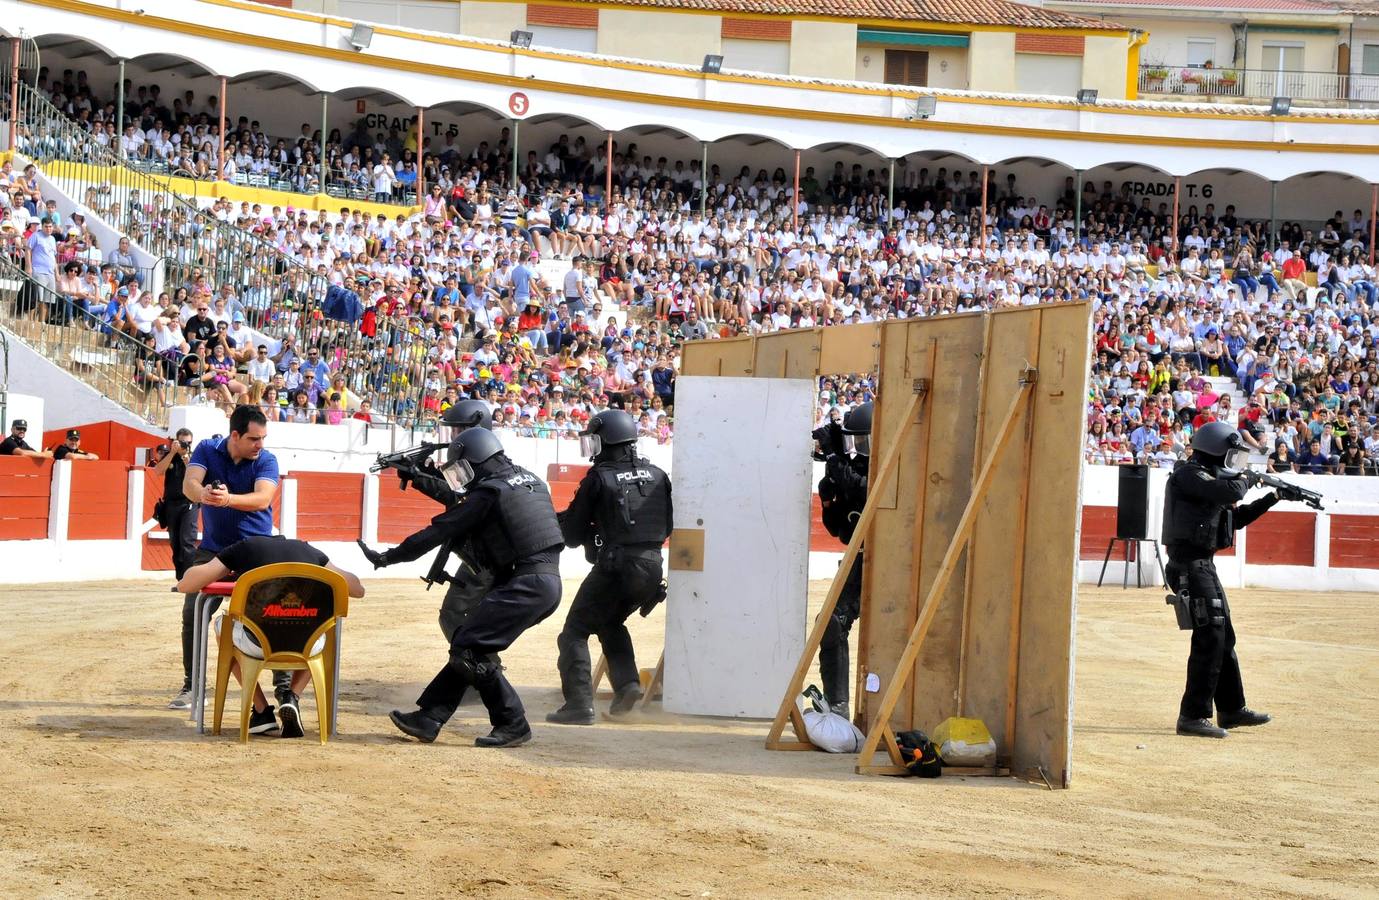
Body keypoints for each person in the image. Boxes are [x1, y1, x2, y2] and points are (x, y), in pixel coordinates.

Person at [358, 428, 563, 747]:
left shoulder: (490, 492)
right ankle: (428, 717)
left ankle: (513, 722)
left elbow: (439, 531)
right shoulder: (530, 479)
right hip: (545, 581)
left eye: (462, 469)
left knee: (468, 648)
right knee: (471, 642)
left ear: (475, 462)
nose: (462, 477)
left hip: (526, 582)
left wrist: (388, 557)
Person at [1161, 421, 1294, 738]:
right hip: (1188, 566)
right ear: (1215, 452)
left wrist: (1274, 496)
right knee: (1210, 638)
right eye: (1231, 455)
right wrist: (1249, 478)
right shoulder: (1189, 474)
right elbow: (1231, 489)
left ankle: (1231, 709)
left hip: (1202, 566)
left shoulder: (1209, 486)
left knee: (1224, 636)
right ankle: (1192, 715)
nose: (1235, 463)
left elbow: (1236, 519)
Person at [547, 409, 672, 725]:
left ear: (607, 441)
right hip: (653, 568)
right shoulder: (658, 474)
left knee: (574, 632)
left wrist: (590, 528)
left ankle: (578, 705)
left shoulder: (599, 478)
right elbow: (667, 525)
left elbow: (573, 536)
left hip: (615, 567)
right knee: (610, 623)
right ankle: (627, 684)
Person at [175, 535, 365, 737]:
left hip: (257, 643)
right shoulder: (309, 551)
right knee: (326, 630)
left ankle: (261, 710)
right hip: (306, 645)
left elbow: (188, 585)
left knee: (223, 626)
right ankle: (292, 697)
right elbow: (357, 589)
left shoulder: (244, 547)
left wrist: (187, 576)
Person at [167, 406, 285, 711]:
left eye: (263, 438)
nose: (260, 445)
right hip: (215, 550)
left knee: (276, 615)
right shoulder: (208, 448)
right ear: (235, 435)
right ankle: (192, 686)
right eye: (254, 438)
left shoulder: (267, 460)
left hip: (256, 550)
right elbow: (189, 484)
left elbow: (263, 499)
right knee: (193, 610)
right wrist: (204, 494)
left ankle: (285, 692)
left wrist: (228, 499)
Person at [813, 401, 870, 719]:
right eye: (855, 441)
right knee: (832, 624)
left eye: (866, 441)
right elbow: (840, 530)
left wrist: (836, 459)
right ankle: (838, 704)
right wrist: (828, 497)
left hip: (889, 560)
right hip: (859, 558)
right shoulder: (850, 469)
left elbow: (865, 490)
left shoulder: (888, 463)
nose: (860, 449)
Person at [150, 428, 198, 578]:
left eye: (188, 442)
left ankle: (189, 578)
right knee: (175, 543)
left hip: (189, 501)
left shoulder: (195, 457)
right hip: (171, 504)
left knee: (187, 541)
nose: (185, 445)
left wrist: (187, 460)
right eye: (182, 442)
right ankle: (180, 578)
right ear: (175, 441)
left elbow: (198, 477)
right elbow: (157, 471)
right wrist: (172, 453)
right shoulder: (169, 456)